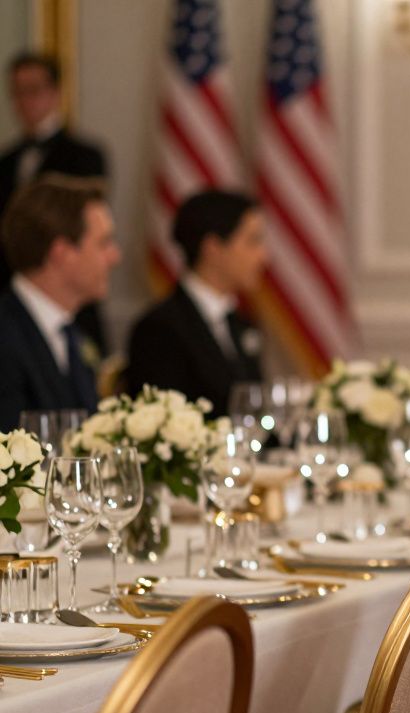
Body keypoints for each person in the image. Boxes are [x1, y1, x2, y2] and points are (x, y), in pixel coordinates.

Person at [0, 52, 109, 352]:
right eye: (17, 92)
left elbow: (86, 225)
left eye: (33, 90)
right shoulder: (6, 161)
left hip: (70, 289)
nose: (24, 101)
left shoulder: (84, 155)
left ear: (56, 93)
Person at [124, 190, 266, 415]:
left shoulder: (240, 323)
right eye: (252, 241)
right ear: (213, 248)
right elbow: (164, 426)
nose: (263, 255)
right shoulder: (159, 330)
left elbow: (257, 413)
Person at [0, 176, 120, 430]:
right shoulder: (5, 336)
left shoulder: (72, 334)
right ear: (61, 253)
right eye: (103, 243)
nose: (114, 256)